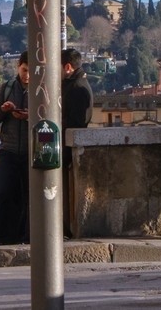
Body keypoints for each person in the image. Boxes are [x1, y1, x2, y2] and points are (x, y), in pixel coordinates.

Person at [0, 51, 30, 245]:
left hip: (31, 151)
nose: (27, 75)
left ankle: (26, 236)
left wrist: (30, 116)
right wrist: (4, 110)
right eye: (24, 70)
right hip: (9, 149)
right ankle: (0, 237)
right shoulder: (7, 88)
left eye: (30, 71)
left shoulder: (41, 90)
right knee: (3, 193)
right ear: (18, 67)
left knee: (28, 196)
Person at [61, 47, 94, 238]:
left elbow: (76, 121)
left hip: (67, 150)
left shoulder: (78, 88)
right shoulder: (76, 85)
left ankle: (66, 229)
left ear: (67, 67)